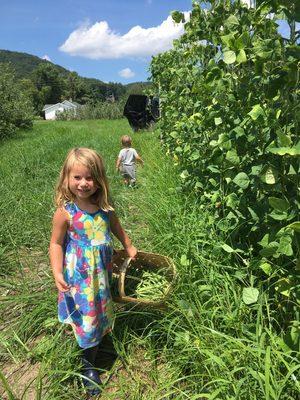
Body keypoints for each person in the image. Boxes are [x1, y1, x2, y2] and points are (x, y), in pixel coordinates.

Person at [49, 147, 137, 396]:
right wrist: (57, 272)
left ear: (99, 180)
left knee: (102, 308)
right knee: (87, 319)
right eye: (77, 177)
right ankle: (88, 364)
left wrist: (128, 245)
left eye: (90, 177)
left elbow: (117, 227)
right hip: (80, 280)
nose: (84, 183)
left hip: (102, 276)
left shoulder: (105, 209)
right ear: (67, 178)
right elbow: (55, 244)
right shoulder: (66, 213)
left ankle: (100, 336)